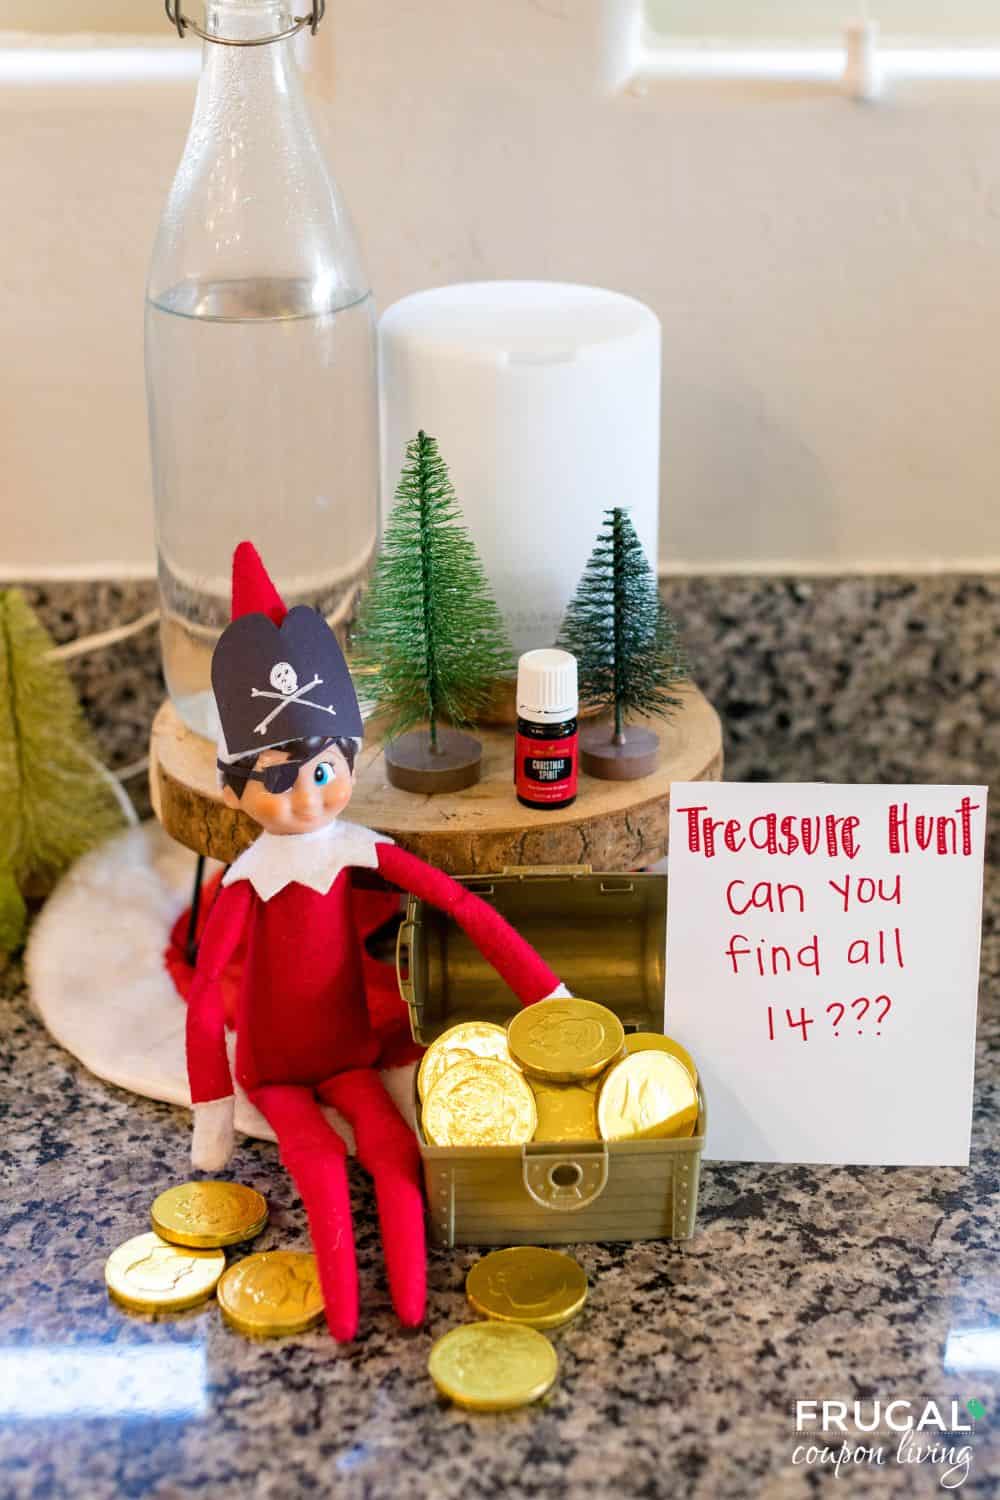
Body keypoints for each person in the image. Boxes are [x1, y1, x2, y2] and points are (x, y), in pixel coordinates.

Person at [186, 542, 567, 1340]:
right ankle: (346, 1321)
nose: (306, 797)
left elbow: (462, 907)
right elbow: (203, 995)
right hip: (272, 1069)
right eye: (278, 779)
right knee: (320, 1164)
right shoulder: (248, 879)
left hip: (351, 1054)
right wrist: (214, 1111)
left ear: (350, 762)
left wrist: (548, 996)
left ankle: (412, 1306)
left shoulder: (357, 850)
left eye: (323, 772)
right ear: (233, 788)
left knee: (395, 1153)